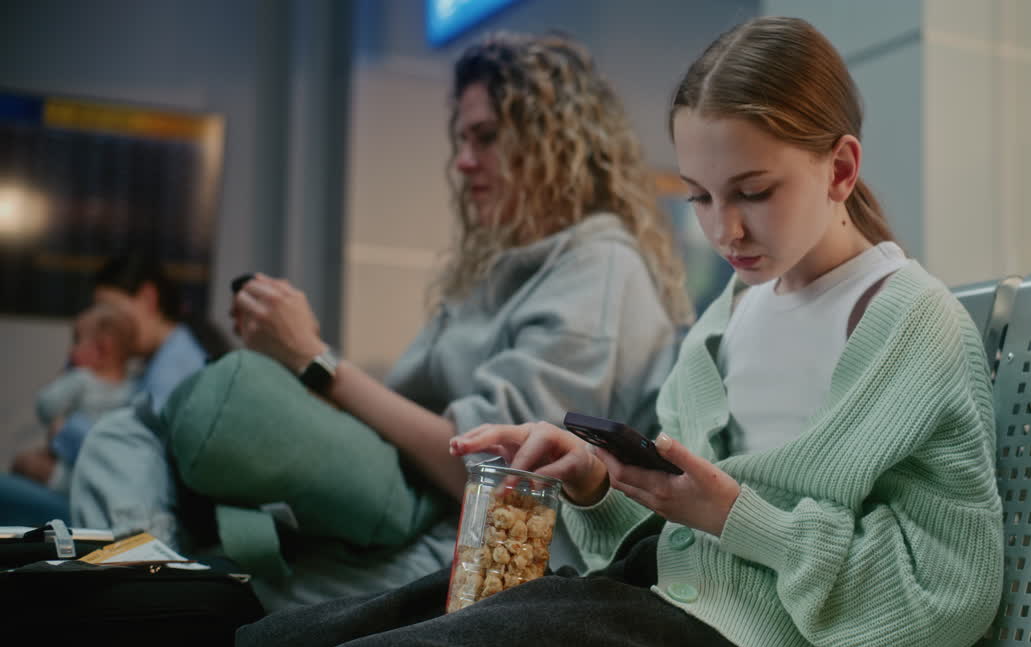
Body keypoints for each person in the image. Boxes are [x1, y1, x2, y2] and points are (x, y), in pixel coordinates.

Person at [226, 16, 1004, 647]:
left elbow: (947, 598)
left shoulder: (911, 324)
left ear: (840, 170)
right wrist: (596, 483)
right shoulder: (734, 312)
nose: (724, 230)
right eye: (700, 197)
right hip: (647, 596)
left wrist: (737, 516)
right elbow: (672, 532)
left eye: (753, 192)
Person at [71, 30, 689, 609]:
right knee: (128, 432)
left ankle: (147, 608)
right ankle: (140, 597)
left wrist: (315, 361)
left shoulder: (599, 266)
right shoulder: (493, 271)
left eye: (486, 138)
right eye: (463, 140)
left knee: (230, 583)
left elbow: (499, 471)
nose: (463, 162)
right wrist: (297, 368)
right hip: (403, 501)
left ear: (554, 145)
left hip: (485, 543)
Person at [0, 253, 222, 525]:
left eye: (109, 310)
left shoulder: (174, 367)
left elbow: (136, 459)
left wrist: (65, 433)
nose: (104, 325)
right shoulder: (159, 360)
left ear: (148, 299)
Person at [9, 302, 138, 491]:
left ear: (103, 348)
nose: (70, 350)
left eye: (76, 341)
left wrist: (64, 378)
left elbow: (45, 406)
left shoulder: (81, 379)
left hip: (68, 474)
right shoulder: (133, 388)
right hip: (105, 478)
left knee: (23, 462)